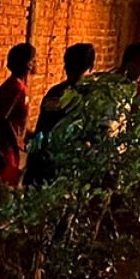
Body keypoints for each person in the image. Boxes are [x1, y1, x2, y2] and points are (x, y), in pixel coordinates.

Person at [25, 42, 96, 187]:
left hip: (47, 165)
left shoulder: (56, 92)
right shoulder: (93, 97)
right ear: (91, 67)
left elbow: (41, 129)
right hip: (67, 168)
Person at [0, 43, 36, 188]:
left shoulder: (19, 86)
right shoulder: (14, 88)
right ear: (28, 64)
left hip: (12, 147)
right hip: (7, 149)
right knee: (5, 192)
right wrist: (1, 150)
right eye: (33, 60)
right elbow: (0, 119)